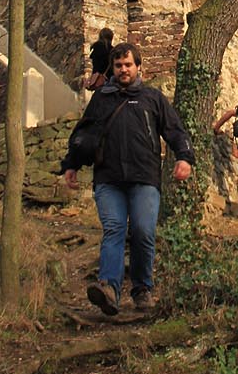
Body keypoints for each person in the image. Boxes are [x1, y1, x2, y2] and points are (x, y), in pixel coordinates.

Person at [61, 42, 194, 315]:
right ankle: (109, 289)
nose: (123, 70)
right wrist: (71, 165)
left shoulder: (152, 98)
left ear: (138, 67)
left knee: (143, 231)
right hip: (108, 178)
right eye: (119, 65)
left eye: (128, 65)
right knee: (114, 229)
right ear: (113, 68)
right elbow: (84, 134)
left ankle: (142, 288)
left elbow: (175, 130)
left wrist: (184, 157)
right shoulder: (101, 99)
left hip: (144, 177)